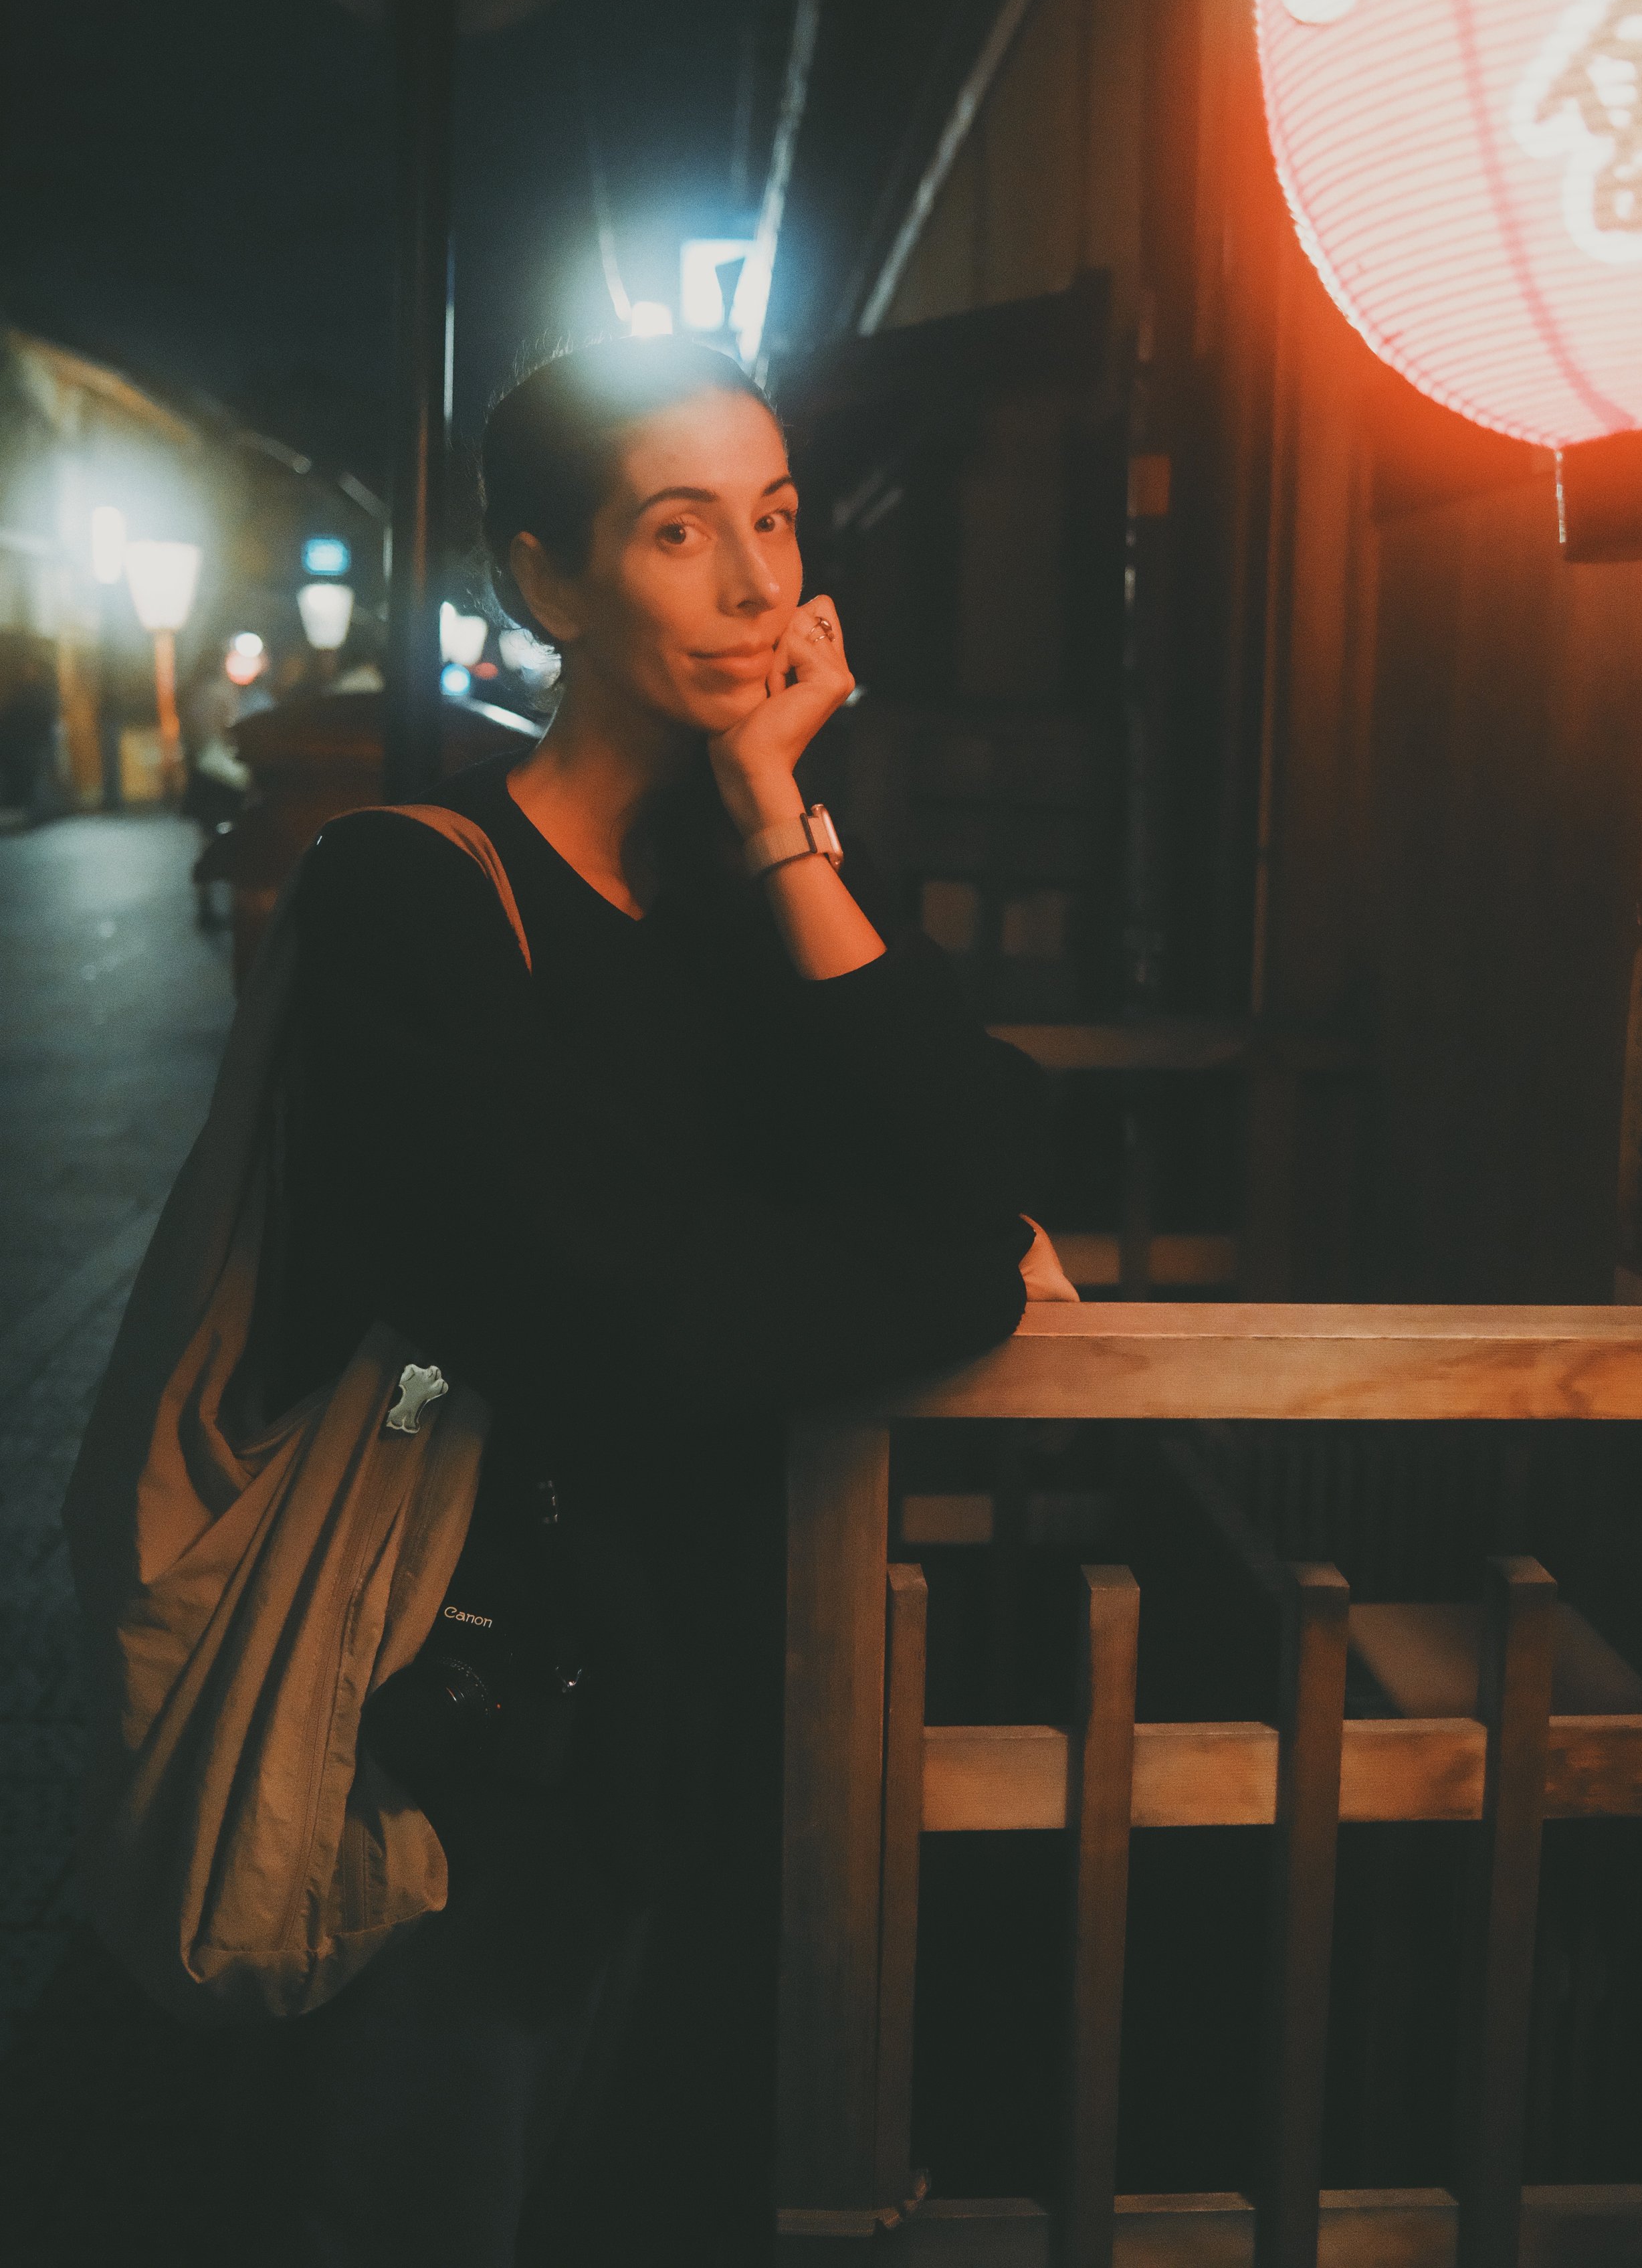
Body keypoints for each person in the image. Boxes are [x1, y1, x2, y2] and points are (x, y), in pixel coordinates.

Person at [258, 335, 1055, 2266]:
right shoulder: (409, 899)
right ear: (546, 580)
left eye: (775, 521)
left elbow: (972, 1161)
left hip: (733, 1714)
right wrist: (948, 1287)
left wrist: (782, 814)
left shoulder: (734, 894)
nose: (758, 583)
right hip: (473, 1742)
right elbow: (630, 1326)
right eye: (679, 529)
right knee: (444, 2205)